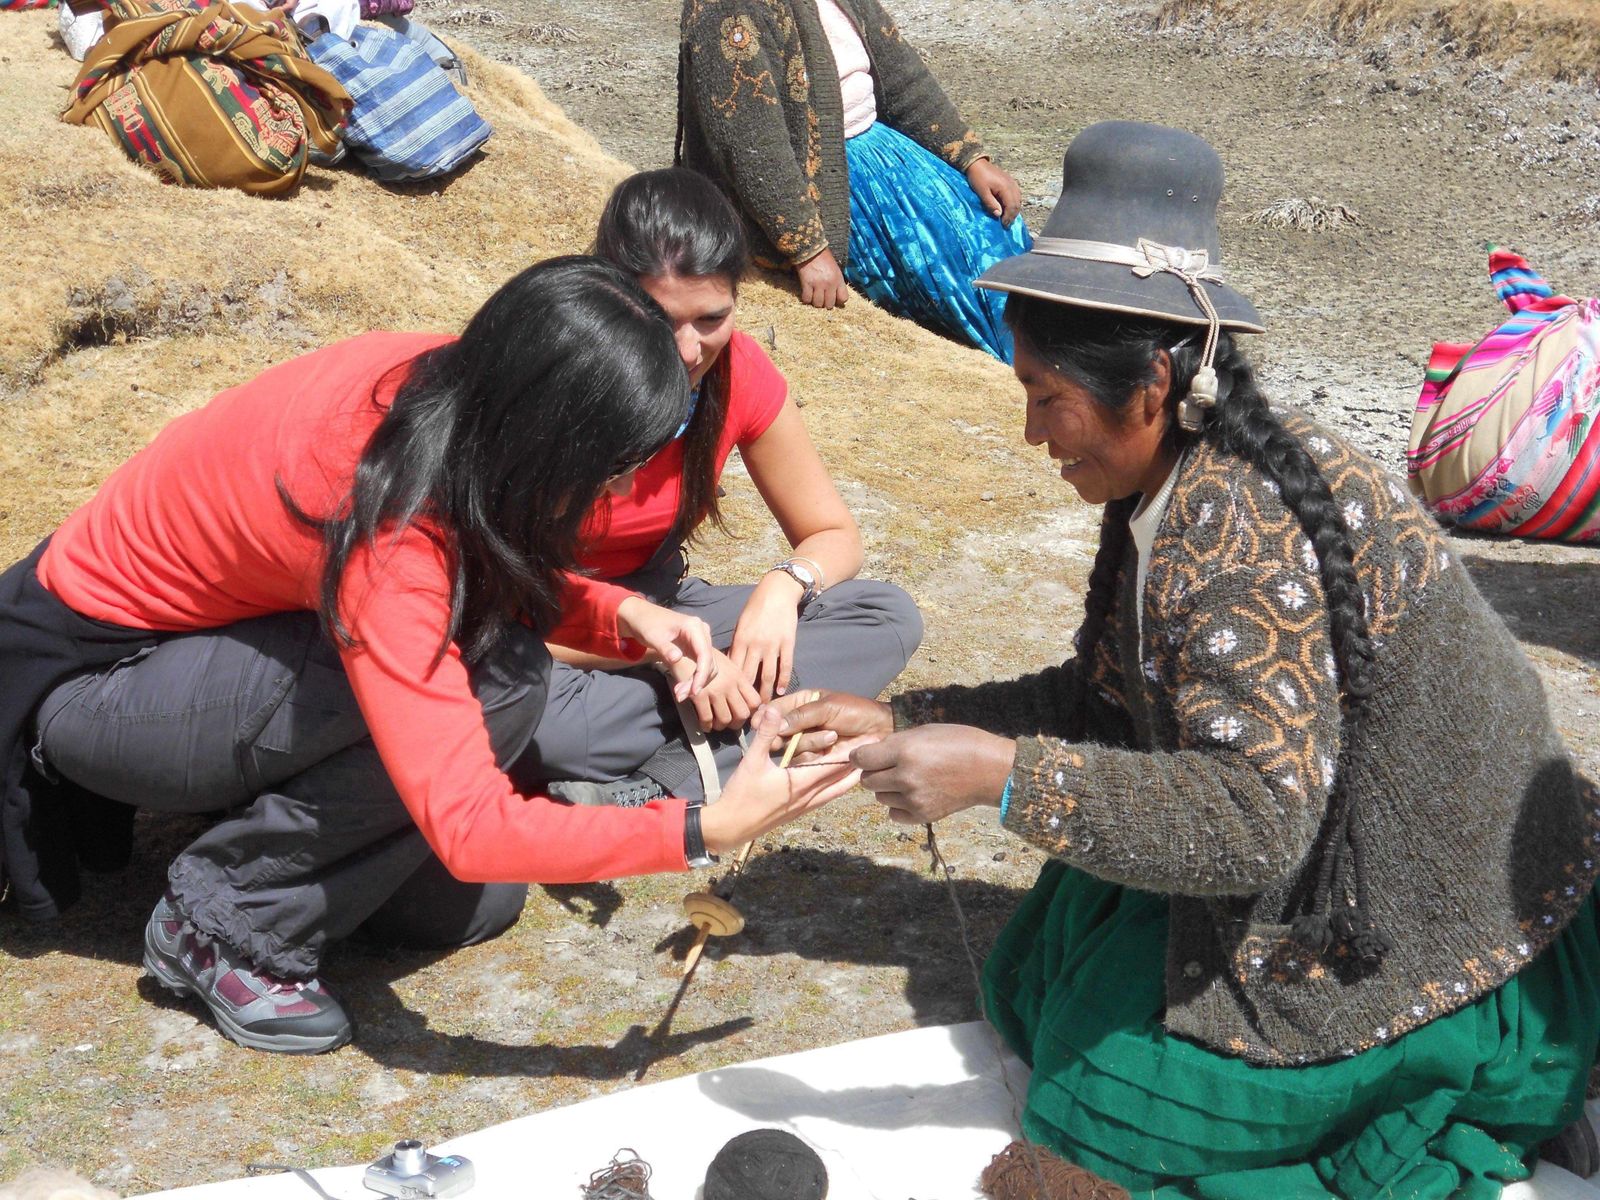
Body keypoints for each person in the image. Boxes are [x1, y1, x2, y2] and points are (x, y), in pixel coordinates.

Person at [778, 122, 1600, 1196]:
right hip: (1320, 835)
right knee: (1038, 975)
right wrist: (905, 719)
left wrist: (1002, 777)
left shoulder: (1240, 529)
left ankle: (1470, 1078)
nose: (1032, 433)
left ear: (1153, 384)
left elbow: (1257, 821)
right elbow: (1105, 703)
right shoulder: (1175, 476)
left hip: (1430, 914)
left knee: (1093, 1108)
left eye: (1047, 397)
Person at [0, 256, 863, 1055]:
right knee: (501, 677)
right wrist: (705, 829)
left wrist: (621, 610)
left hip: (217, 649)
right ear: (548, 446)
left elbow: (475, 541)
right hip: (95, 686)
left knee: (468, 909)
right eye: (612, 468)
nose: (621, 489)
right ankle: (223, 921)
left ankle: (258, 828)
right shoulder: (386, 529)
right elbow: (470, 824)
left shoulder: (456, 385)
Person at [517, 167, 922, 806]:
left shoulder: (738, 375)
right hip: (547, 630)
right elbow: (490, 598)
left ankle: (656, 784)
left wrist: (783, 588)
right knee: (551, 725)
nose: (688, 350)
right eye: (660, 319)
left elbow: (832, 533)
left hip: (667, 609)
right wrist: (661, 653)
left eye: (711, 318)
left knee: (884, 615)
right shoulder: (548, 372)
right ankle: (711, 753)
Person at [676, 0, 1031, 361]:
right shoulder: (727, 7)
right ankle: (1028, 371)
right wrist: (807, 249)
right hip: (817, 185)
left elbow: (899, 71)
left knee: (999, 240)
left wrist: (971, 158)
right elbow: (750, 140)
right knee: (964, 279)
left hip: (879, 151)